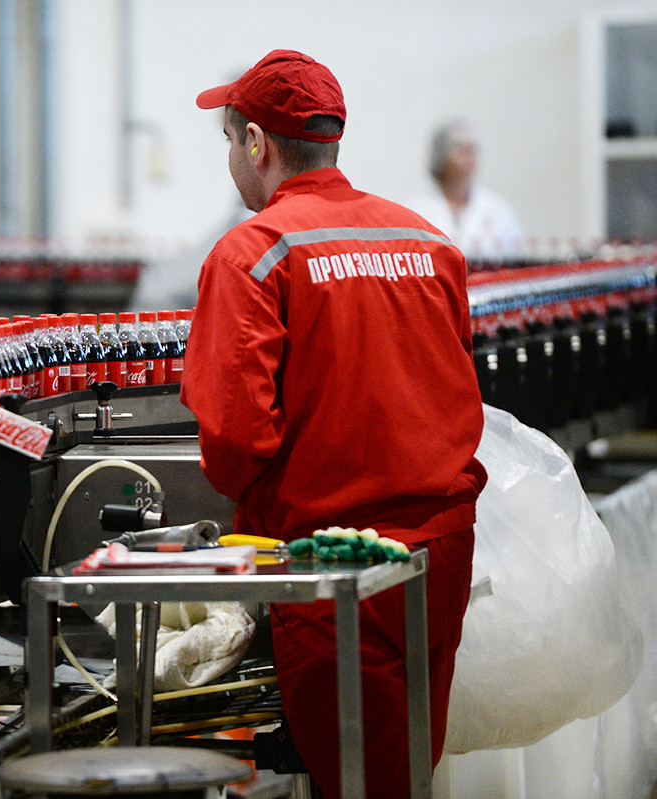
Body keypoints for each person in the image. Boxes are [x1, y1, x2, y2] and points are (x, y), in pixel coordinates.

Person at [180, 50, 487, 799]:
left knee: (355, 777)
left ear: (257, 143)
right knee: (408, 765)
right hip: (438, 554)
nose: (230, 158)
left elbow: (234, 439)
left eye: (228, 140)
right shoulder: (427, 241)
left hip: (335, 559)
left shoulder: (255, 253)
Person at [408, 118, 524, 260]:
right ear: (440, 157)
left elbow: (516, 261)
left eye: (472, 150)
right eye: (460, 150)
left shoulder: (499, 210)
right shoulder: (416, 210)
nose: (469, 158)